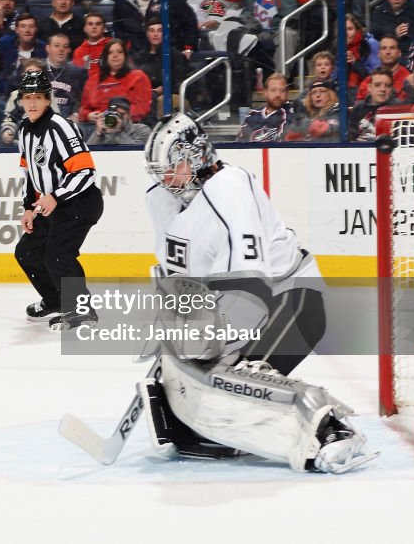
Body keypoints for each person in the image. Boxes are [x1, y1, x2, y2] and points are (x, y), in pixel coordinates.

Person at [139, 113, 375, 474]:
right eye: (160, 170)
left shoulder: (229, 189)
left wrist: (212, 347)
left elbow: (250, 290)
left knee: (232, 377)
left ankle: (332, 429)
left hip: (290, 300)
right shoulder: (167, 198)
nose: (165, 178)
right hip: (236, 306)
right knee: (198, 392)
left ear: (198, 155)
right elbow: (176, 278)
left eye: (173, 167)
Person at [14, 68, 104, 331]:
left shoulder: (61, 127)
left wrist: (56, 196)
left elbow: (85, 171)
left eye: (37, 97)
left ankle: (82, 311)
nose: (31, 102)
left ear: (47, 99)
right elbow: (29, 173)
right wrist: (29, 208)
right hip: (53, 204)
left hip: (80, 202)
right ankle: (55, 300)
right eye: (26, 96)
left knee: (58, 254)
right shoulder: (24, 130)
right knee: (27, 252)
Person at [78, 39, 152, 126]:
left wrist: (118, 117)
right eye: (110, 52)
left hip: (127, 125)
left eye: (119, 52)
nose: (115, 55)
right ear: (105, 57)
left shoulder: (138, 76)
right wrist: (88, 115)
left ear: (125, 55)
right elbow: (83, 109)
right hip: (95, 126)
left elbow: (142, 108)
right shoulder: (93, 80)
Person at [238, 72, 292, 142]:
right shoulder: (252, 115)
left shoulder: (293, 114)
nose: (278, 94)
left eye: (282, 90)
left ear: (287, 93)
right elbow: (241, 144)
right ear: (265, 93)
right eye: (273, 90)